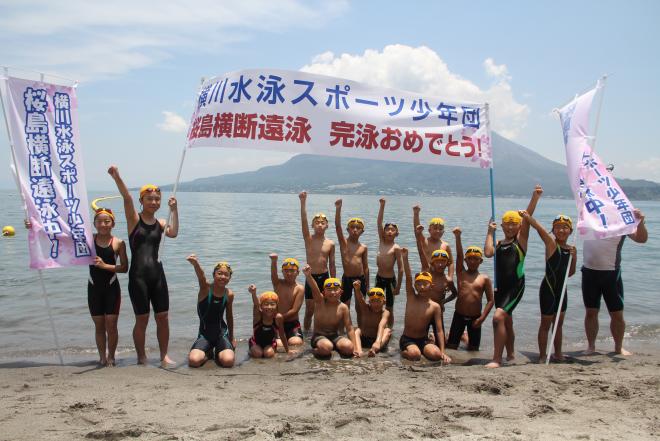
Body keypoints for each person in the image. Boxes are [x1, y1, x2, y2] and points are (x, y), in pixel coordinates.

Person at [108, 166, 179, 366]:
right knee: (142, 319)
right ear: (142, 201)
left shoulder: (161, 221)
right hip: (138, 277)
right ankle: (141, 357)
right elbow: (126, 198)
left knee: (163, 317)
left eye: (157, 199)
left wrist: (174, 210)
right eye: (150, 199)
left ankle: (164, 355)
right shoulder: (134, 220)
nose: (154, 202)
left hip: (158, 275)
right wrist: (117, 177)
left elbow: (173, 233)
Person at [484, 185, 542, 368]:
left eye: (513, 223)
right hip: (501, 288)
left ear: (518, 226)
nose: (510, 227)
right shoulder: (500, 243)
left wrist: (534, 198)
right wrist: (489, 232)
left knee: (498, 318)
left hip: (515, 286)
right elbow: (487, 253)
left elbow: (527, 219)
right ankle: (510, 354)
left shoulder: (521, 241)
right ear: (502, 226)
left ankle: (496, 359)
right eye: (506, 224)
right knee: (507, 320)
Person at [582, 208, 647, 356]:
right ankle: (591, 346)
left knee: (616, 314)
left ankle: (618, 347)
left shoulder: (622, 223)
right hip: (589, 272)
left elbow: (641, 239)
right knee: (591, 312)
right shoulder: (590, 217)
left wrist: (641, 222)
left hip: (611, 273)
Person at [523, 213, 577, 362]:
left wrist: (575, 256)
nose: (561, 230)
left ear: (570, 231)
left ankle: (558, 353)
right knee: (545, 324)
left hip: (562, 291)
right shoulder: (551, 244)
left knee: (558, 325)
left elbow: (570, 273)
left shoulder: (572, 248)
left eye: (565, 228)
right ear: (553, 230)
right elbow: (539, 229)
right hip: (548, 289)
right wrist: (529, 218)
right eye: (557, 227)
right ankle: (542, 355)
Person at [399, 248, 451, 363]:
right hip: (407, 339)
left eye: (424, 284)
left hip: (423, 340)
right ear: (415, 285)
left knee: (436, 355)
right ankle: (404, 352)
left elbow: (439, 330)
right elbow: (408, 277)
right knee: (414, 355)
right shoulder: (411, 297)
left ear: (431, 286)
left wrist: (442, 351)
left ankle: (426, 348)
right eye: (418, 284)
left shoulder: (435, 306)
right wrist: (405, 258)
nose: (421, 287)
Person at [446, 228, 494, 351]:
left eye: (476, 259)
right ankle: (461, 336)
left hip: (475, 317)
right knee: (451, 347)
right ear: (466, 260)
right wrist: (458, 237)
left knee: (473, 349)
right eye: (470, 258)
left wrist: (482, 318)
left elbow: (491, 300)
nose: (472, 261)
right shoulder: (461, 273)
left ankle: (465, 337)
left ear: (481, 261)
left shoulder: (484, 279)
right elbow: (459, 256)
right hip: (459, 316)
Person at [186, 256, 235, 368]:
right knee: (193, 361)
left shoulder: (229, 294)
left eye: (226, 274)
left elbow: (229, 317)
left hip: (221, 333)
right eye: (219, 273)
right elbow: (201, 276)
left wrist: (232, 337)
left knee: (228, 361)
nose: (223, 277)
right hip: (205, 334)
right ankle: (208, 354)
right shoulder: (205, 289)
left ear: (229, 278)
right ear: (214, 275)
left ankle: (219, 352)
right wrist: (196, 264)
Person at [302, 265, 358, 358]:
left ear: (341, 292)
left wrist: (355, 348)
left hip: (334, 337)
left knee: (349, 348)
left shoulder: (343, 307)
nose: (332, 292)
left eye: (335, 289)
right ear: (323, 292)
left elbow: (349, 328)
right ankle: (315, 350)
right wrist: (308, 275)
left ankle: (333, 348)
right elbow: (314, 288)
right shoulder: (320, 302)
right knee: (326, 348)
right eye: (329, 290)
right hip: (319, 336)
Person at [299, 191, 336, 332]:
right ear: (312, 225)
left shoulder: (331, 244)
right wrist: (303, 202)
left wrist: (334, 282)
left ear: (327, 226)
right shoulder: (308, 239)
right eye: (317, 223)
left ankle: (322, 330)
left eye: (322, 223)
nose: (320, 225)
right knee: (309, 309)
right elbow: (303, 220)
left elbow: (332, 264)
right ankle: (306, 334)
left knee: (323, 307)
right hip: (311, 277)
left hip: (325, 278)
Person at [334, 199, 369, 315]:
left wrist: (367, 285)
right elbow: (338, 226)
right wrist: (338, 208)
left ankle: (361, 328)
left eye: (358, 228)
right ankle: (345, 329)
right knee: (345, 305)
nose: (355, 230)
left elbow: (366, 267)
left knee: (360, 306)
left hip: (360, 279)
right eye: (352, 227)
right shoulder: (344, 243)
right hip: (347, 279)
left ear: (362, 231)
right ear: (348, 229)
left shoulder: (363, 247)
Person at [375, 198, 403, 327]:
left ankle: (390, 328)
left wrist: (398, 287)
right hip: (379, 278)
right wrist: (382, 205)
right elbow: (379, 221)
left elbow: (401, 269)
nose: (390, 231)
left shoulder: (396, 248)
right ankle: (378, 325)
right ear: (384, 232)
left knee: (390, 307)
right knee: (377, 304)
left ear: (397, 233)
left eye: (393, 230)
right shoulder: (382, 241)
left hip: (391, 280)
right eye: (387, 229)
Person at [269, 254, 304, 346]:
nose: (289, 273)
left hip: (292, 323)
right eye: (286, 271)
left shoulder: (299, 288)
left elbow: (295, 310)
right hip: (276, 323)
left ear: (298, 272)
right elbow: (273, 274)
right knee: (279, 344)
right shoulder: (278, 284)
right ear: (282, 272)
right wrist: (274, 261)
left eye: (292, 270)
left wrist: (281, 318)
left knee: (296, 342)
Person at [413, 205, 454, 282]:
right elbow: (417, 232)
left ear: (443, 232)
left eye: (440, 229)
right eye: (435, 228)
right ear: (429, 230)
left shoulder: (445, 245)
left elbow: (451, 263)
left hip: (440, 277)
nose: (438, 231)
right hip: (426, 277)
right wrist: (416, 214)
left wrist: (450, 277)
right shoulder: (424, 241)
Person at [248, 285, 290, 358]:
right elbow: (256, 304)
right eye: (266, 304)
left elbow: (282, 334)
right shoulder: (258, 316)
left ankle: (273, 350)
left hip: (270, 343)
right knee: (258, 354)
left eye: (272, 304)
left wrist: (287, 350)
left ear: (276, 305)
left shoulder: (278, 317)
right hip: (256, 342)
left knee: (268, 354)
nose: (269, 307)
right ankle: (250, 352)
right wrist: (254, 293)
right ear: (261, 306)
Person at [352, 281, 392, 357]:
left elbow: (381, 326)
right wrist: (357, 290)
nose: (376, 304)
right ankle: (359, 351)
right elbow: (360, 300)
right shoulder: (366, 308)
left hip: (378, 341)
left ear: (384, 302)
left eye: (378, 301)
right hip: (364, 339)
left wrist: (377, 342)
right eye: (373, 301)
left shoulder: (385, 312)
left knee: (388, 331)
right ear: (369, 302)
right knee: (357, 330)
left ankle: (374, 350)